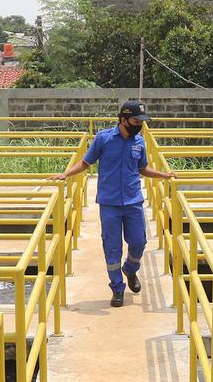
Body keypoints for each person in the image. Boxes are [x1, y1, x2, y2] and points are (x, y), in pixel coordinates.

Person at [51, 101, 175, 307]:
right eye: (136, 121)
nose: (139, 125)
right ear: (123, 119)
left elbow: (143, 168)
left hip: (133, 201)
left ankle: (130, 270)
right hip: (109, 203)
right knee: (112, 247)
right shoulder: (103, 139)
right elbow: (86, 162)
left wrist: (163, 175)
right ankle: (117, 288)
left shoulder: (140, 142)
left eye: (141, 122)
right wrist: (65, 174)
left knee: (138, 242)